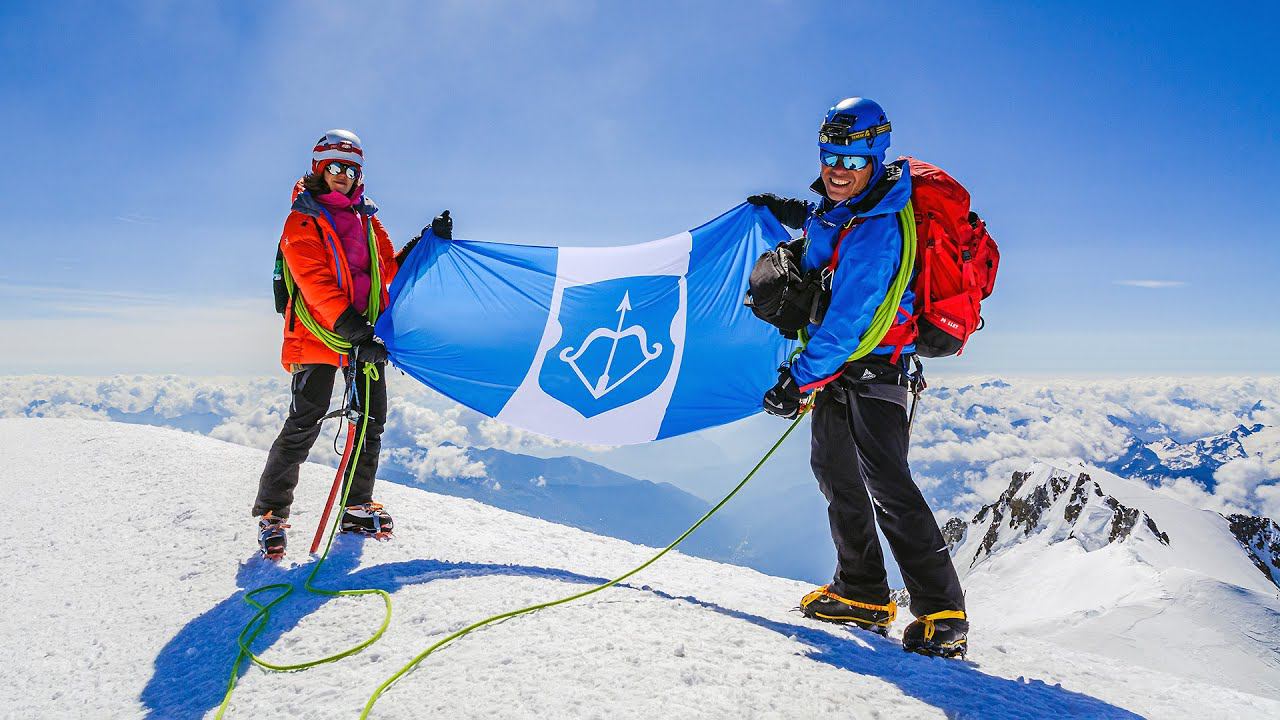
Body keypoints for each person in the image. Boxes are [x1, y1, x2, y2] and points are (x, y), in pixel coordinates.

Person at [748, 98, 969, 658]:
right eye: (831, 156)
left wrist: (797, 379)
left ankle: (943, 613)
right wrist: (789, 212)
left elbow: (848, 324)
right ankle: (864, 592)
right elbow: (826, 229)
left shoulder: (880, 231)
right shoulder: (846, 207)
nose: (838, 169)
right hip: (842, 373)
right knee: (835, 472)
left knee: (889, 485)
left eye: (852, 158)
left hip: (875, 370)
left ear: (875, 158)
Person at [253, 129, 452, 559]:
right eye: (335, 167)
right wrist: (356, 333)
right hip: (319, 333)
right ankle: (272, 514)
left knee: (371, 420)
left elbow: (386, 272)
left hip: (362, 334)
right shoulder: (302, 220)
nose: (343, 175)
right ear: (319, 169)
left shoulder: (367, 219)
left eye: (352, 169)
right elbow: (316, 285)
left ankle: (356, 507)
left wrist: (425, 245)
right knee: (305, 422)